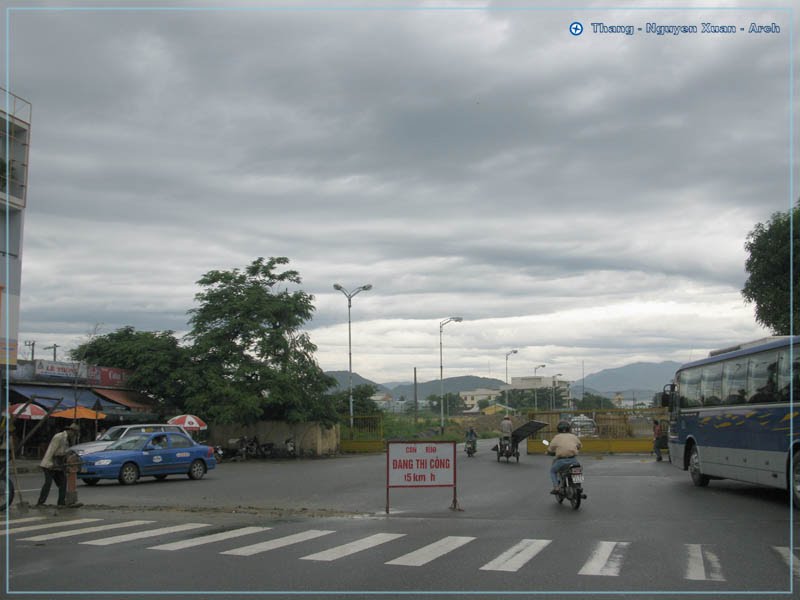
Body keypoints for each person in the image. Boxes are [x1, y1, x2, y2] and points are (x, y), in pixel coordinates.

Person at [37, 423, 79, 507]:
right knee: (48, 483)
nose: (74, 435)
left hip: (58, 465)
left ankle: (61, 502)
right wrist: (52, 463)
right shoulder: (59, 437)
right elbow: (52, 451)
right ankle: (40, 502)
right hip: (50, 464)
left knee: (63, 483)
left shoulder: (67, 439)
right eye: (74, 433)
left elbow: (63, 452)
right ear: (71, 431)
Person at [547, 420, 582, 494]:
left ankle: (556, 488)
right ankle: (578, 486)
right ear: (569, 429)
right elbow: (579, 446)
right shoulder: (573, 436)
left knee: (552, 471)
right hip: (573, 460)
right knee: (577, 470)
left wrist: (549, 452)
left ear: (558, 429)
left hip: (561, 461)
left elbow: (550, 449)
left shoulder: (557, 437)